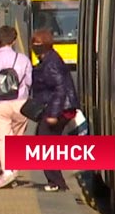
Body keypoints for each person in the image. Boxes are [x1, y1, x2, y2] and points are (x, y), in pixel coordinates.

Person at [29, 29, 80, 192]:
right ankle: (56, 181)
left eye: (38, 44)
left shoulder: (51, 62)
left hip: (58, 109)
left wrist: (53, 114)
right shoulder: (49, 59)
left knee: (45, 144)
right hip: (56, 108)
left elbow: (60, 89)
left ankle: (56, 182)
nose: (35, 47)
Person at [0, 25, 32, 189]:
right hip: (21, 104)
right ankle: (14, 168)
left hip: (0, 103)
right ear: (13, 41)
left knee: (3, 138)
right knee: (17, 137)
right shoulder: (23, 59)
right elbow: (29, 82)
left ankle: (8, 171)